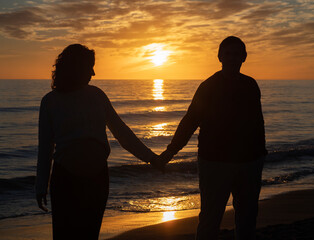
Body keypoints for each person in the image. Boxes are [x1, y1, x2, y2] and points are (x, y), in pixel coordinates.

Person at [35, 44, 160, 240]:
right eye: (89, 66)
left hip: (97, 180)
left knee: (89, 235)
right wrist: (41, 185)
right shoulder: (50, 101)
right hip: (65, 180)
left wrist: (151, 158)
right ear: (75, 67)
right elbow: (45, 147)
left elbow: (122, 133)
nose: (93, 72)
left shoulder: (97, 95)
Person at [158, 36, 267, 240]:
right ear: (219, 56)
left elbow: (257, 123)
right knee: (210, 218)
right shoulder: (208, 87)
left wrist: (261, 154)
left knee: (247, 218)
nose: (232, 58)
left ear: (244, 57)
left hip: (249, 163)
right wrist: (170, 151)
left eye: (237, 54)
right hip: (215, 164)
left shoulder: (251, 85)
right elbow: (190, 120)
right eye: (228, 53)